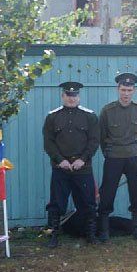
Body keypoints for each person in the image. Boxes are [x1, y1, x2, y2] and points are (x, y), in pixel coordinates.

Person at [43, 81, 100, 248]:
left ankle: (90, 235)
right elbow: (48, 143)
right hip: (61, 167)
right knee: (56, 203)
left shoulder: (90, 116)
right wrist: (60, 160)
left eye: (74, 95)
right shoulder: (52, 117)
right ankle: (53, 236)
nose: (71, 98)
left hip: (83, 167)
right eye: (68, 95)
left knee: (88, 203)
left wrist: (83, 159)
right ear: (63, 96)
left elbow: (94, 141)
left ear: (79, 97)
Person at [97, 72, 137, 241]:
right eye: (123, 90)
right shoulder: (108, 110)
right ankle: (104, 229)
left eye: (129, 90)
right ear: (118, 89)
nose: (126, 94)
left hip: (133, 155)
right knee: (107, 191)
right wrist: (109, 153)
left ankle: (136, 227)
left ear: (134, 91)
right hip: (114, 156)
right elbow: (102, 136)